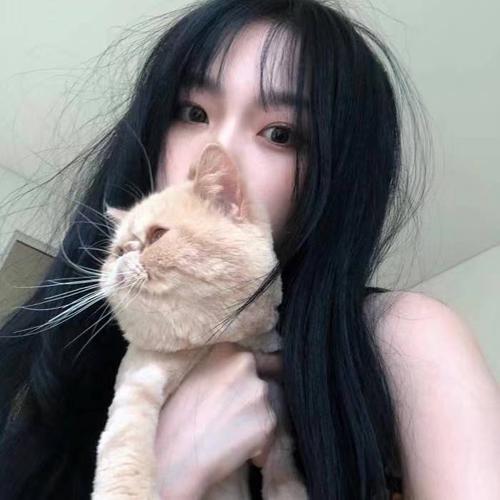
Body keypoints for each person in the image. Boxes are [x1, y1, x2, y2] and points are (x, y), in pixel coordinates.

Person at [1, 0, 498, 499]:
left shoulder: (403, 336)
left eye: (280, 134)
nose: (215, 156)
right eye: (193, 113)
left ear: (338, 177)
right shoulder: (53, 360)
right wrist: (171, 474)